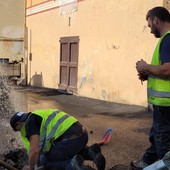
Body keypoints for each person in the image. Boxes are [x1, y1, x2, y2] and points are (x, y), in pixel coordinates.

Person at [130, 6, 170, 170]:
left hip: (166, 105)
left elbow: (167, 70)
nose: (150, 29)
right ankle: (147, 162)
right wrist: (149, 73)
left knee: (163, 144)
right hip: (163, 105)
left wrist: (145, 66)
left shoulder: (167, 39)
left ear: (155, 20)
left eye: (149, 25)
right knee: (157, 136)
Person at [10, 109, 106, 170]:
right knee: (60, 152)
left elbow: (34, 151)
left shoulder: (29, 124)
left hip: (70, 141)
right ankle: (89, 152)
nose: (18, 132)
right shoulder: (39, 114)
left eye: (16, 129)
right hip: (82, 135)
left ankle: (71, 165)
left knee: (45, 161)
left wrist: (30, 168)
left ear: (19, 124)